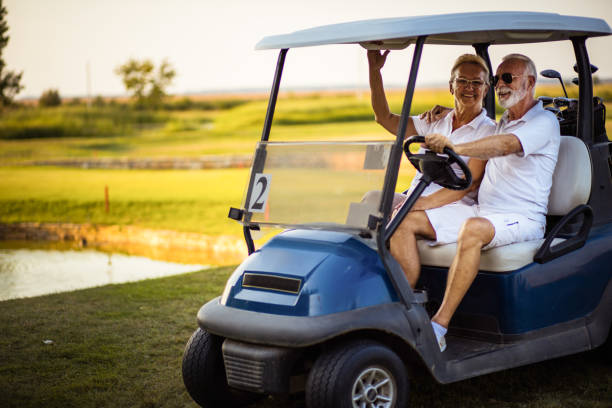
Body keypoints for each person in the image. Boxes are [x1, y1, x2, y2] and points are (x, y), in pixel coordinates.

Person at [393, 53, 560, 352]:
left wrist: (455, 145)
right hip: (485, 211)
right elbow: (486, 130)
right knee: (403, 219)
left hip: (522, 217)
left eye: (509, 78)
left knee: (472, 229)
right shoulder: (504, 121)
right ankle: (401, 311)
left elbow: (505, 145)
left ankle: (438, 327)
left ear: (531, 82)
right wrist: (450, 110)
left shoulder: (543, 122)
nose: (501, 85)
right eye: (497, 80)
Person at [367, 50, 496, 213]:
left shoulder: (488, 130)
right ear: (451, 86)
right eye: (462, 81)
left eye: (477, 82)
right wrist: (374, 70)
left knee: (400, 220)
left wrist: (422, 204)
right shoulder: (435, 120)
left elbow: (470, 184)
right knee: (371, 201)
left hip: (451, 208)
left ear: (486, 89)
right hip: (415, 199)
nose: (469, 87)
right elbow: (384, 118)